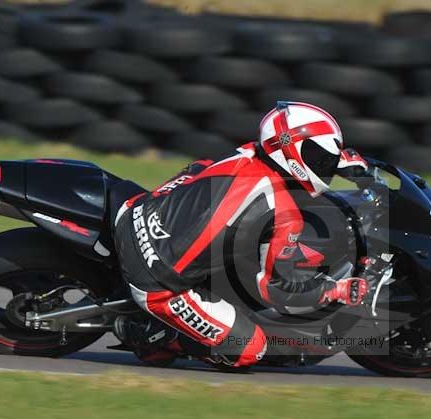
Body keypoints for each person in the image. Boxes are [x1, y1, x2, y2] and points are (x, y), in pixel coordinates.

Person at [113, 101, 370, 368]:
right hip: (159, 281)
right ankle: (152, 337)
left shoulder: (249, 152)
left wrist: (340, 161)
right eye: (321, 158)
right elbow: (276, 290)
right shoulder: (283, 212)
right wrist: (335, 289)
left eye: (327, 159)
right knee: (249, 349)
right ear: (292, 153)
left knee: (204, 173)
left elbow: (197, 169)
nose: (325, 165)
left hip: (139, 212)